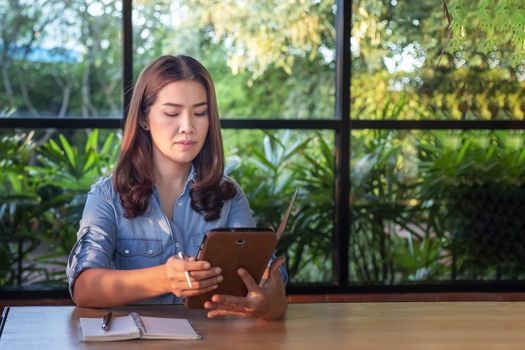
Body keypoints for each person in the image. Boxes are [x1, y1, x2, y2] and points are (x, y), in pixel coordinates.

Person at [66, 55, 288, 320]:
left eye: (200, 113)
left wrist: (270, 302)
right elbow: (84, 288)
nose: (188, 128)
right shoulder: (107, 195)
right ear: (144, 119)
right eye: (172, 113)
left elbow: (266, 277)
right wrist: (164, 279)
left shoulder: (229, 195)